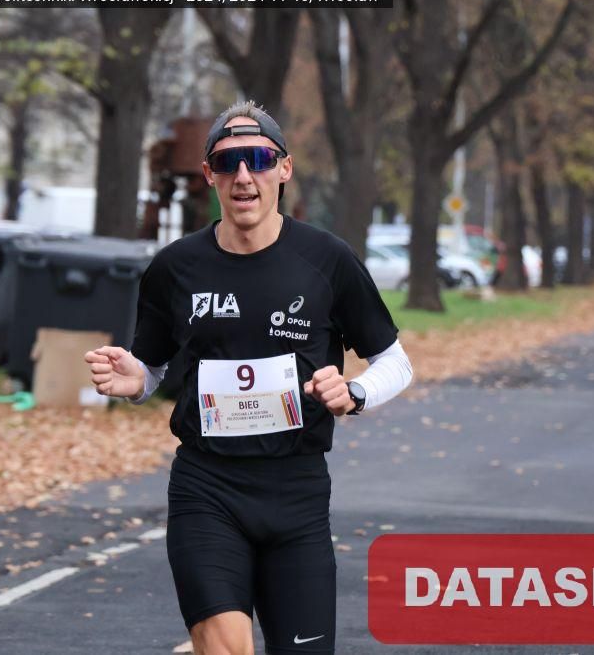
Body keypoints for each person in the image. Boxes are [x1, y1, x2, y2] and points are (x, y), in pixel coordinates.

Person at [84, 101, 413, 655]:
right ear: (208, 173)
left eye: (258, 159)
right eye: (227, 162)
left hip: (297, 492)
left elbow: (396, 362)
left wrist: (354, 393)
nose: (243, 176)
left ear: (283, 169)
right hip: (207, 489)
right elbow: (153, 366)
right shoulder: (175, 267)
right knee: (228, 647)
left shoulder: (327, 260)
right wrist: (132, 380)